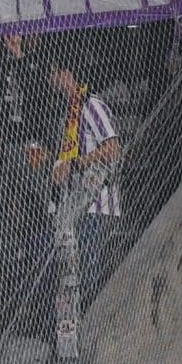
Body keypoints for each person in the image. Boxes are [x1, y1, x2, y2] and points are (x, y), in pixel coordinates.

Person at [46, 56, 125, 290]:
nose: (51, 81)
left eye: (54, 74)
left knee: (93, 277)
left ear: (67, 74)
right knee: (80, 276)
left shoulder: (91, 105)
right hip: (78, 207)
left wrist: (79, 163)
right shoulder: (69, 113)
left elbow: (113, 148)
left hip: (97, 206)